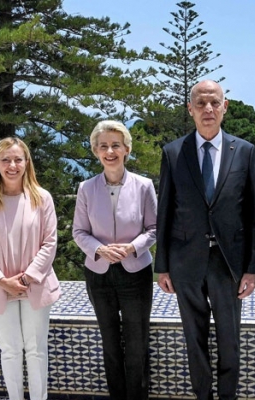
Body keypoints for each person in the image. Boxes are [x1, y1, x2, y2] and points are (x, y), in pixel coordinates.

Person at [155, 80, 255, 400]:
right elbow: (165, 212)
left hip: (229, 264)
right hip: (186, 263)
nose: (208, 109)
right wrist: (162, 266)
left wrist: (252, 268)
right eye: (200, 103)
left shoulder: (245, 151)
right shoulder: (173, 153)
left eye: (214, 102)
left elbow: (252, 214)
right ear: (190, 109)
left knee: (230, 340)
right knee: (194, 339)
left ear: (225, 107)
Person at [0, 137, 61, 400]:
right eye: (6, 160)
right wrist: (2, 281)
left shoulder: (42, 198)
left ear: (27, 162)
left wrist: (27, 277)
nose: (12, 165)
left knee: (36, 350)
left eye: (18, 159)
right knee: (10, 350)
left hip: (36, 285)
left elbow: (50, 242)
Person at [72, 120, 157, 400]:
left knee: (137, 343)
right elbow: (79, 232)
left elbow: (154, 228)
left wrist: (132, 247)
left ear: (127, 149)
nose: (110, 151)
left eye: (116, 145)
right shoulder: (86, 188)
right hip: (99, 276)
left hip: (136, 274)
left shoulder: (144, 186)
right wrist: (100, 249)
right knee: (110, 343)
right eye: (104, 146)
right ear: (96, 151)